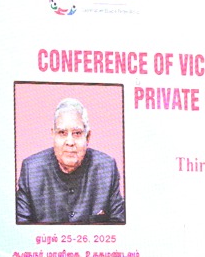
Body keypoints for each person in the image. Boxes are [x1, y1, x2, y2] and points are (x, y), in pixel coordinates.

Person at [14, 96, 124, 224]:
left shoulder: (107, 168)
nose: (70, 142)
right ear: (53, 135)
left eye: (77, 133)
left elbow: (120, 227)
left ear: (87, 137)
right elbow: (19, 231)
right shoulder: (31, 170)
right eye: (62, 133)